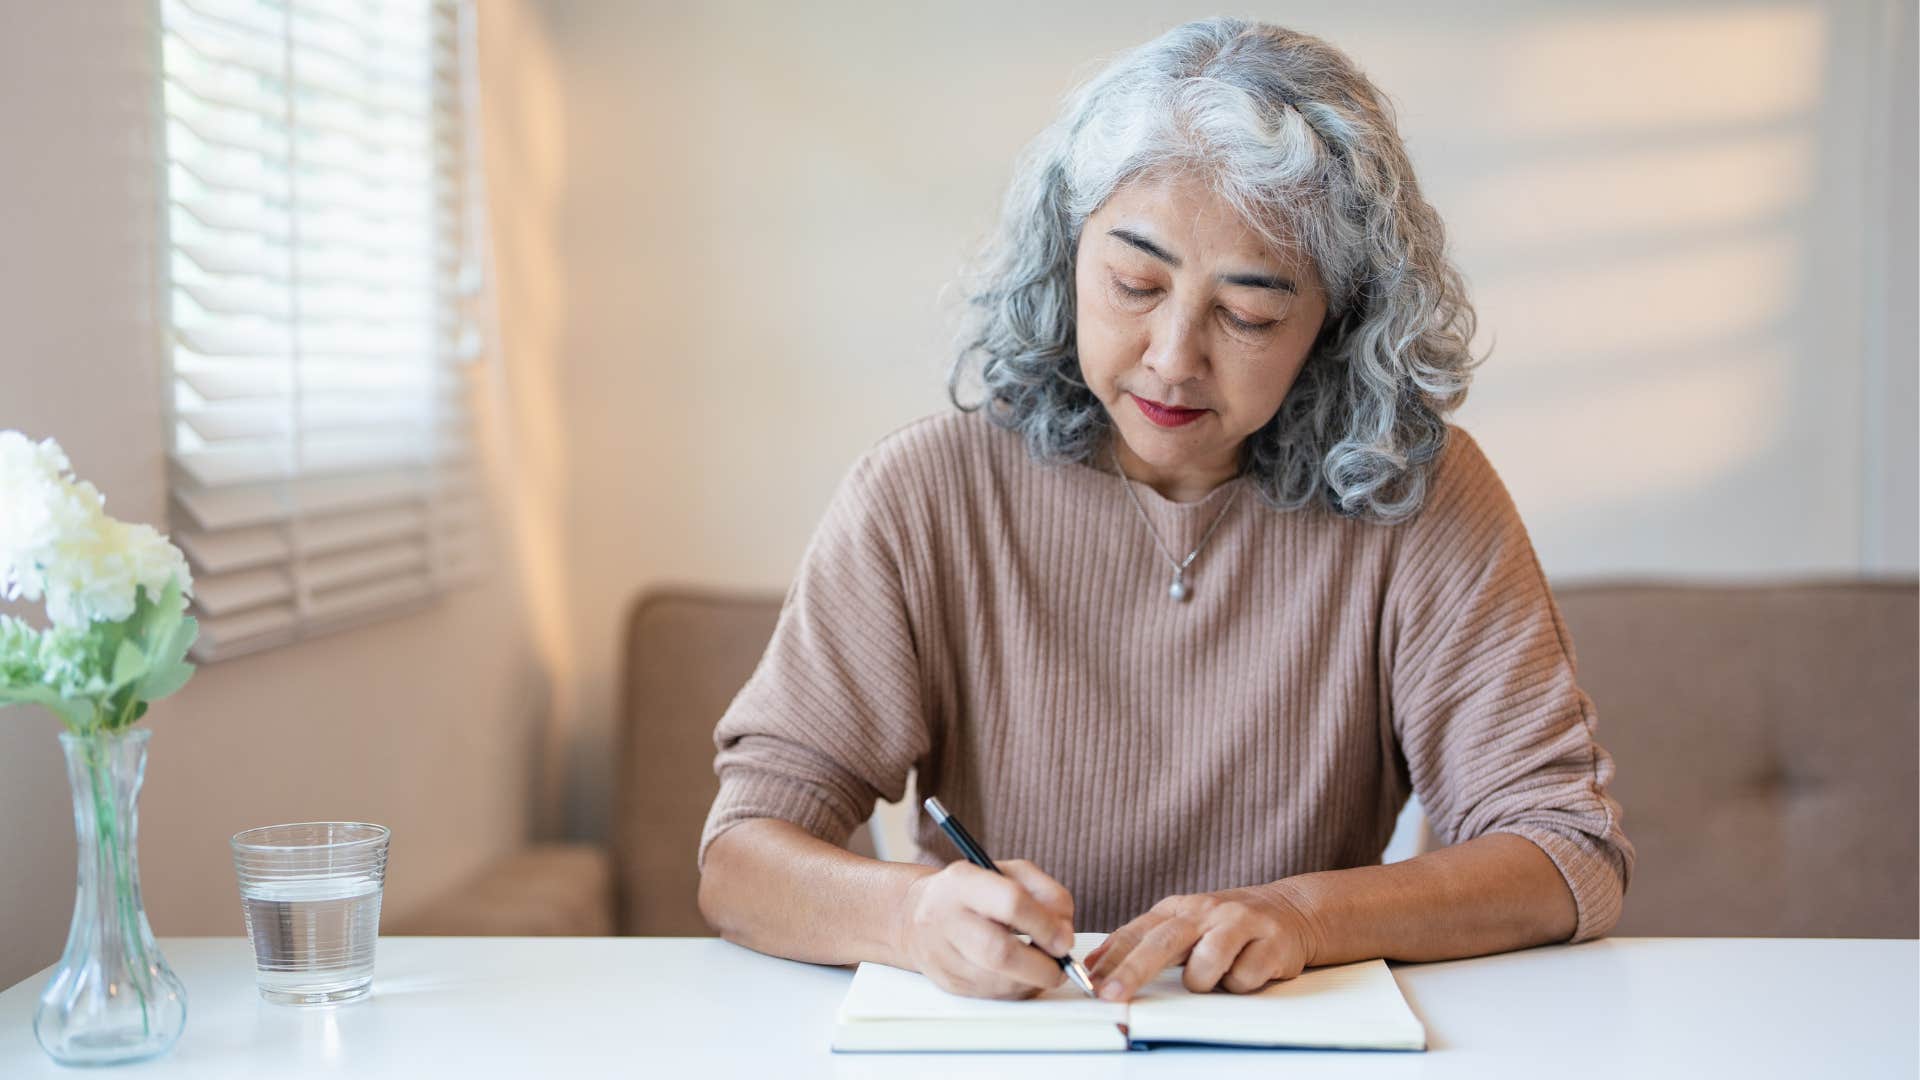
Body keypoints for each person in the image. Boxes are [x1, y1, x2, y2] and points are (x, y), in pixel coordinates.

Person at [696, 16, 1632, 1003]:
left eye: (1250, 312)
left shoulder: (1422, 496)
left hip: (1292, 1042)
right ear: (1066, 252)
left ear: (1337, 322)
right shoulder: (925, 495)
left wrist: (1307, 915)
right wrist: (910, 918)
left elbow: (1569, 855)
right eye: (1135, 281)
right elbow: (741, 860)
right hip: (1010, 1045)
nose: (1174, 356)